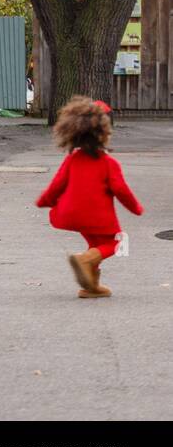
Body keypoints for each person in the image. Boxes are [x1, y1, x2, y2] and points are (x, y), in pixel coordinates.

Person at [36, 97, 143, 298]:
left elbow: (57, 185)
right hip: (96, 215)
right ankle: (86, 261)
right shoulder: (108, 163)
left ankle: (91, 286)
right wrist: (136, 208)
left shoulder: (72, 160)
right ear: (104, 134)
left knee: (96, 246)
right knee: (114, 243)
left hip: (71, 214)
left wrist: (45, 201)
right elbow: (121, 190)